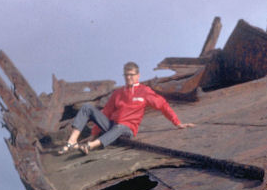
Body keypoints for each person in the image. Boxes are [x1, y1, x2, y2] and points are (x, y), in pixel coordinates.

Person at [59, 61, 194, 153]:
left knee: (120, 127)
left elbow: (163, 105)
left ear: (138, 76)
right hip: (111, 125)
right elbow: (106, 112)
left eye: (131, 75)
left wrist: (177, 123)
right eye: (126, 75)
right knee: (87, 107)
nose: (128, 77)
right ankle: (72, 142)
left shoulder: (144, 91)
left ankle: (89, 146)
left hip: (127, 129)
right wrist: (93, 133)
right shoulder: (118, 93)